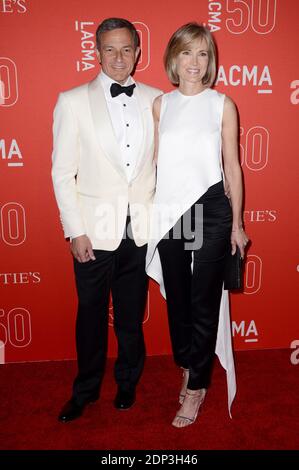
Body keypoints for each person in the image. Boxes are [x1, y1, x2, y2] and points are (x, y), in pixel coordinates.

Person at [52, 17, 162, 422]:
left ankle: (128, 383)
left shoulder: (156, 99)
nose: (119, 58)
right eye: (110, 49)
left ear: (138, 51)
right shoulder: (71, 101)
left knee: (131, 317)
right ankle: (85, 390)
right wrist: (75, 230)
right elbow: (62, 174)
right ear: (96, 52)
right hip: (93, 232)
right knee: (91, 315)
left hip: (141, 229)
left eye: (127, 49)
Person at [146, 23, 249, 428]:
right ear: (174, 58)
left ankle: (197, 387)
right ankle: (188, 364)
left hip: (209, 209)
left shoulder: (222, 104)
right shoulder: (160, 105)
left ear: (210, 61)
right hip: (169, 212)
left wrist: (237, 224)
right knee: (179, 300)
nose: (194, 62)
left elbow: (233, 168)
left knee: (205, 302)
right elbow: (154, 165)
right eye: (187, 53)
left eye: (202, 54)